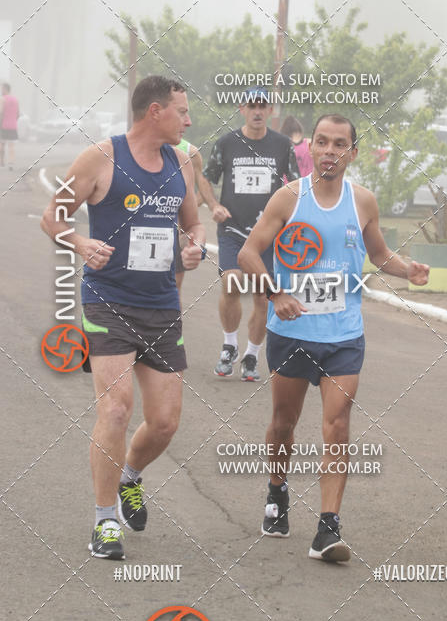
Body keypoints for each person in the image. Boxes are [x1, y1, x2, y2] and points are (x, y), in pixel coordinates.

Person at [238, 112, 429, 563]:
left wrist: (407, 270)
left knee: (338, 425)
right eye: (321, 141)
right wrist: (276, 293)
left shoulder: (363, 201)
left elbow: (379, 254)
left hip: (343, 334)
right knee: (283, 423)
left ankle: (328, 527)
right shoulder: (289, 198)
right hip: (291, 333)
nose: (329, 150)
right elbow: (248, 252)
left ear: (352, 153)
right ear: (311, 148)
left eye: (339, 143)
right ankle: (277, 491)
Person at [41, 75, 206, 560]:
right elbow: (53, 216)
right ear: (155, 111)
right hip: (107, 300)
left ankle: (130, 476)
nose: (188, 120)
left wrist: (194, 246)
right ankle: (105, 519)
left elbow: (192, 223)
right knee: (115, 410)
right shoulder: (100, 158)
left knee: (164, 423)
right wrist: (80, 242)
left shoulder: (181, 162)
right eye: (182, 111)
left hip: (161, 305)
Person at [203, 87, 300, 381]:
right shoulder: (227, 143)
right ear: (242, 109)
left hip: (267, 235)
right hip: (233, 229)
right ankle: (229, 345)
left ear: (270, 110)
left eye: (262, 106)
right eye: (251, 106)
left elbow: (296, 184)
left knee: (262, 295)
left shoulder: (282, 145)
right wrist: (214, 205)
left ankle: (251, 355)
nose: (257, 111)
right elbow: (206, 178)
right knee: (231, 282)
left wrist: (294, 217)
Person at [173, 136, 214, 292]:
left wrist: (184, 212)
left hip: (177, 231)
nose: (186, 123)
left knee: (174, 287)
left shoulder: (191, 152)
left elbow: (202, 189)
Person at [0, 83, 19, 170]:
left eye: (2, 89)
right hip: (13, 126)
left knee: (2, 144)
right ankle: (11, 163)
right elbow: (18, 114)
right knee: (11, 146)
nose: (1, 91)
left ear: (5, 89)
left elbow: (1, 112)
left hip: (4, 125)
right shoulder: (15, 100)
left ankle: (1, 161)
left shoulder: (2, 99)